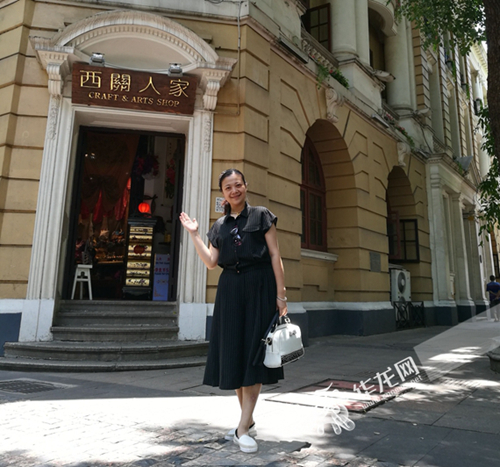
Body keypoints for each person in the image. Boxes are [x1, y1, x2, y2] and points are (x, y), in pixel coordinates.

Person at [179, 168, 287, 453]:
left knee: (254, 356)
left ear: (245, 186)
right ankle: (246, 422)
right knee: (235, 355)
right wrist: (195, 234)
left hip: (259, 288)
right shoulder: (219, 226)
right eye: (228, 187)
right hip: (229, 292)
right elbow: (211, 262)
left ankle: (242, 428)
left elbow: (275, 254)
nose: (234, 190)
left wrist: (281, 295)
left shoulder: (262, 216)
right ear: (223, 193)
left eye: (237, 184)